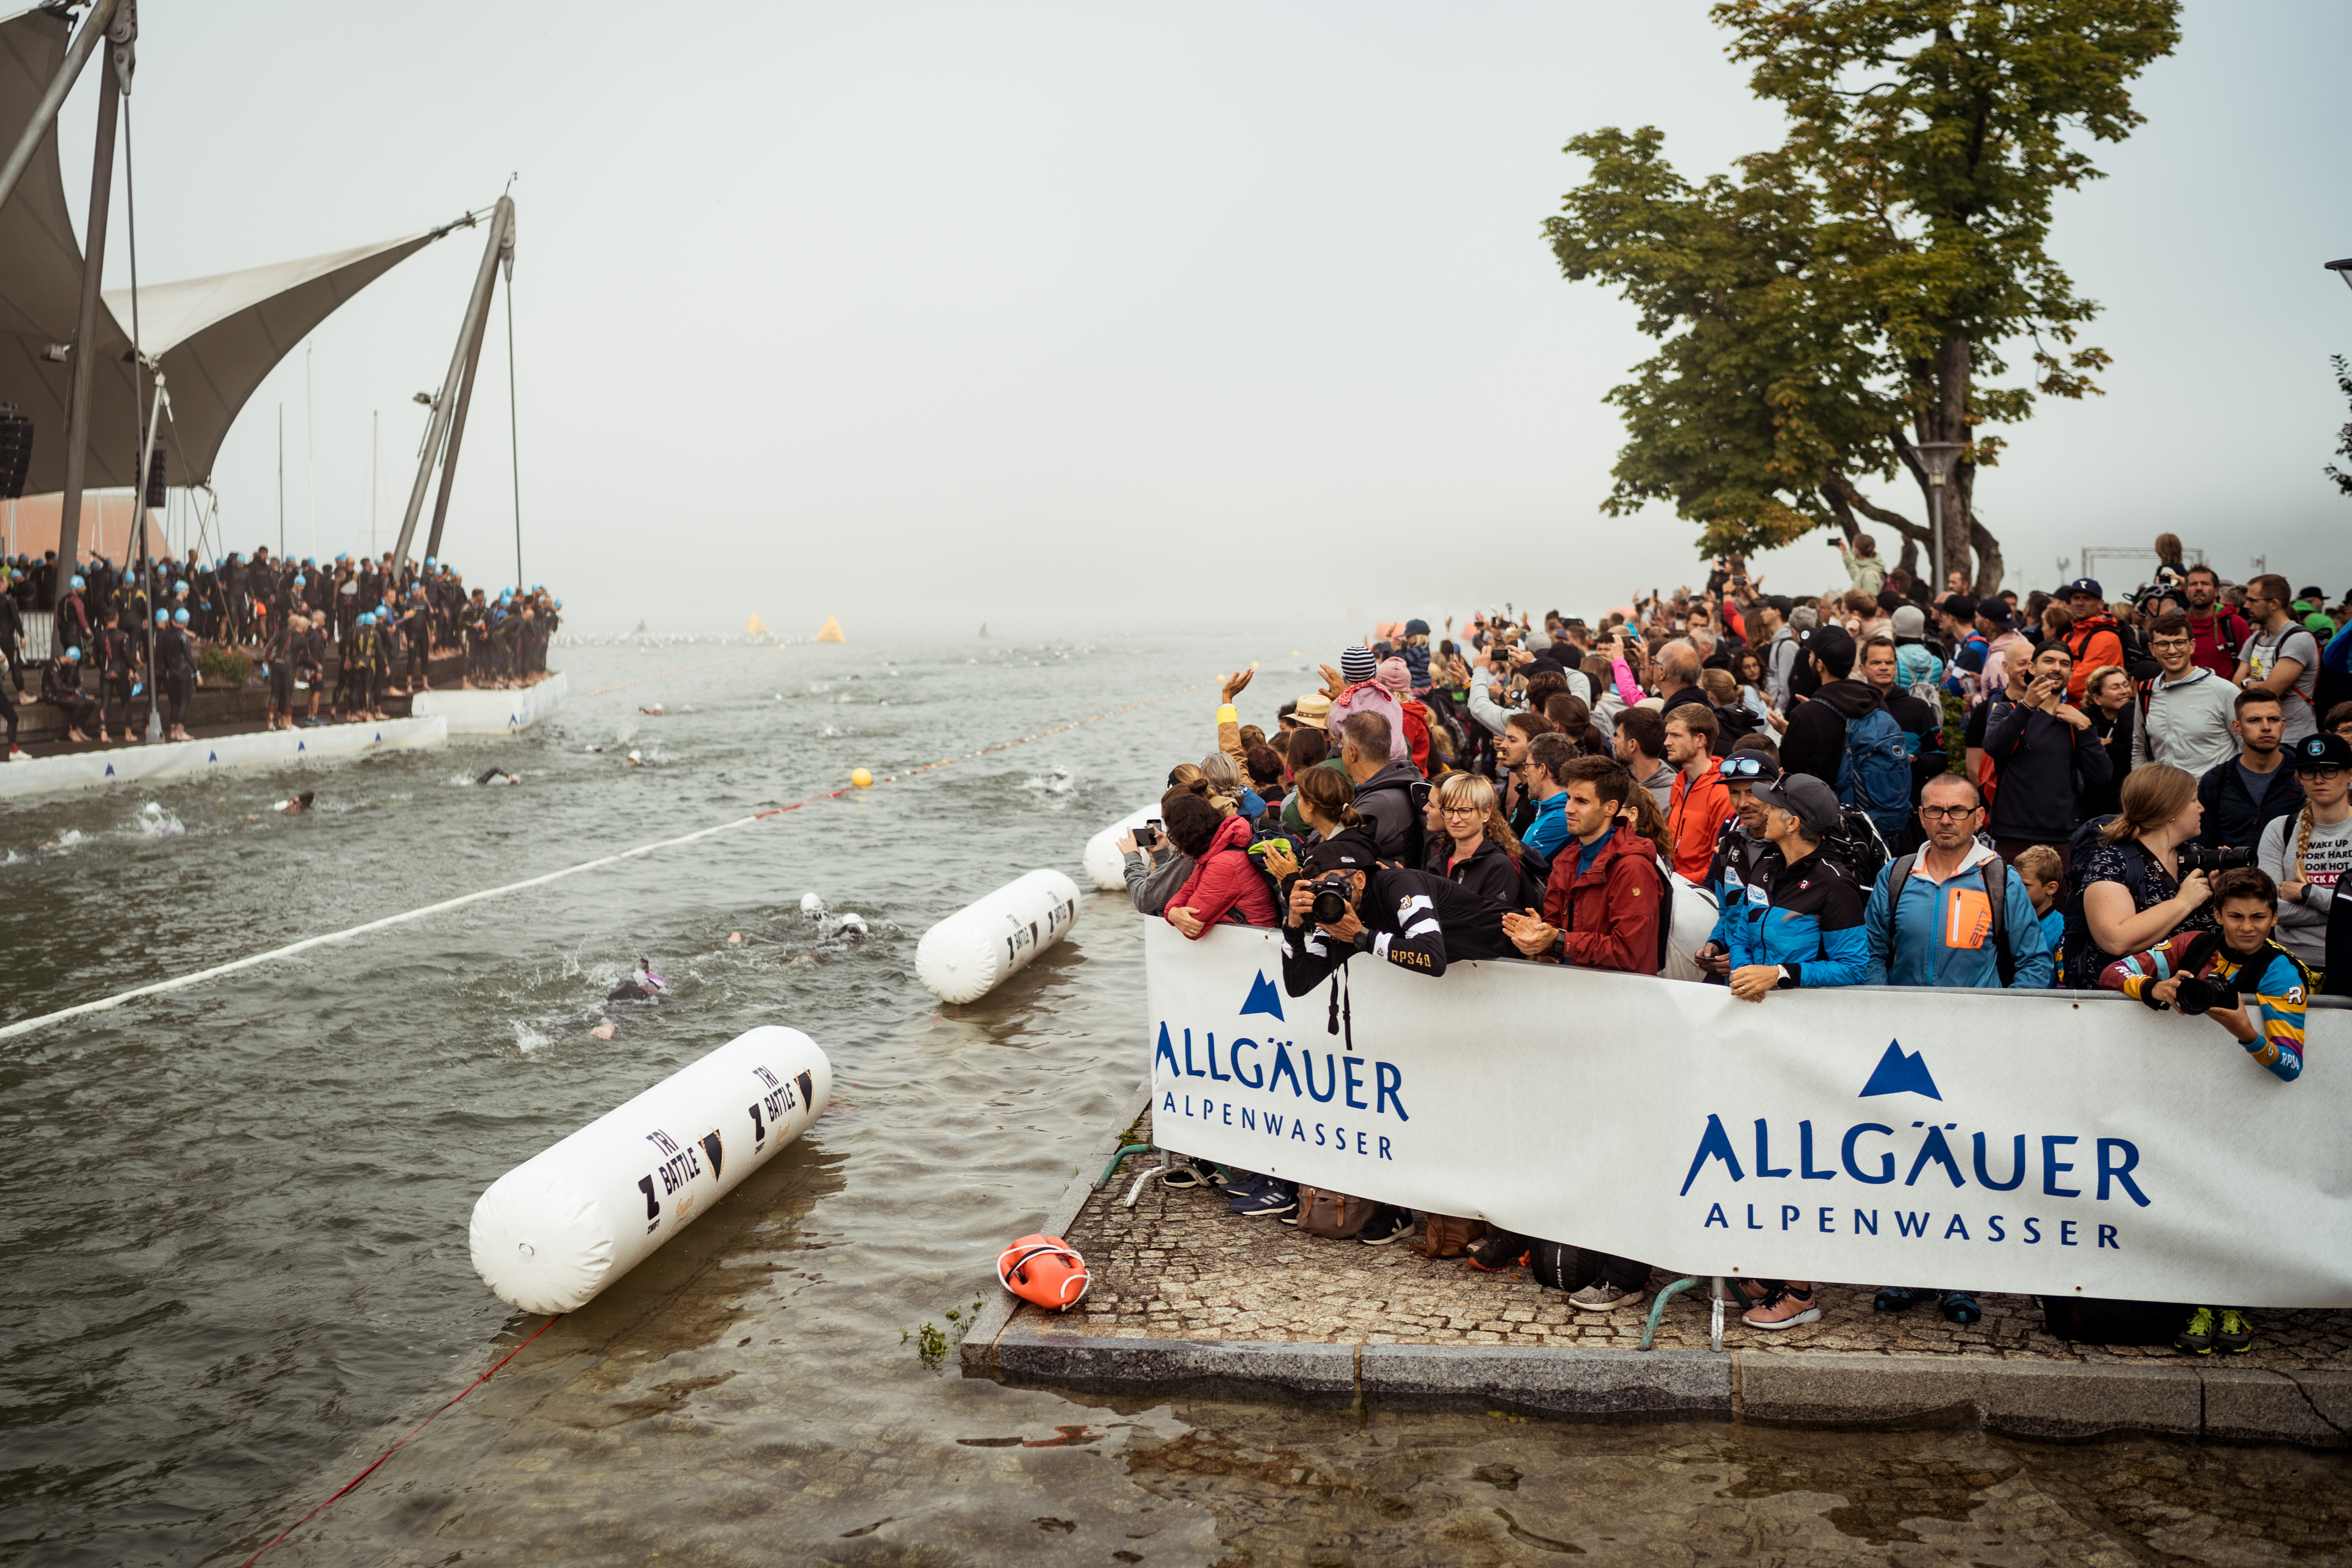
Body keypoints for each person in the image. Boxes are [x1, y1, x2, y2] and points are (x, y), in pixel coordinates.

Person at [2097, 865, 2310, 1356]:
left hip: (2249, 1106)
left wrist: (2245, 1030)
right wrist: (2153, 989)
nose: (2247, 926)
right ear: (2217, 914)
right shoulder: (2192, 944)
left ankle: (2233, 1302)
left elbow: (2290, 1065)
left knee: (2239, 1203)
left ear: (2275, 917)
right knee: (2189, 1200)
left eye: (2259, 916)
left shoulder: (2283, 971)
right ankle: (2196, 1301)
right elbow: (2114, 971)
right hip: (2185, 1100)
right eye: (2235, 916)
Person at [1271, 826, 1513, 1244]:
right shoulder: (1337, 914)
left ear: (1359, 879)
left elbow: (1432, 957)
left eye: (1331, 880)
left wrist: (1361, 937)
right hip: (1462, 999)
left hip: (1514, 977)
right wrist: (1294, 925)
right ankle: (1401, 1205)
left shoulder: (1399, 884)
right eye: (1316, 884)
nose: (1325, 891)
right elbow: (1298, 983)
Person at [1864, 773, 2053, 989]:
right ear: (1922, 817)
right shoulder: (1895, 874)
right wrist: (1882, 1000)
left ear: (1979, 817)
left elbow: (2035, 961)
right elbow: (1871, 951)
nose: (1946, 820)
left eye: (1958, 811)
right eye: (1935, 810)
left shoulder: (2002, 879)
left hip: (1977, 1018)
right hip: (1906, 1015)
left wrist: (2002, 1014)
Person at [1501, 756, 1669, 976]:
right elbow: (1557, 932)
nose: (1568, 809)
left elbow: (1628, 952)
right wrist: (1538, 935)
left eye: (1581, 801)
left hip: (1620, 998)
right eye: (1569, 798)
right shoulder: (1567, 859)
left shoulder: (1633, 866)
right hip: (1577, 991)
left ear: (1611, 808)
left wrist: (1559, 940)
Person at [2070, 763, 2218, 984]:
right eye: (2193, 800)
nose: (2201, 808)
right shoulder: (2113, 861)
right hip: (2128, 1004)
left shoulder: (2196, 856)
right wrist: (2183, 903)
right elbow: (2116, 940)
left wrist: (2222, 891)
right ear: (2171, 810)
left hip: (2197, 997)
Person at [1982, 640, 2107, 872]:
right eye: (2048, 661)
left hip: (2062, 837)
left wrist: (2087, 729)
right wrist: (2028, 706)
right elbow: (1993, 746)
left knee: (2057, 908)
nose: (2057, 668)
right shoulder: (2008, 710)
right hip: (2013, 834)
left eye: (2064, 663)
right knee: (2007, 906)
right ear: (2032, 667)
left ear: (2071, 672)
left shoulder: (2075, 720)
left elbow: (2101, 776)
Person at [2259, 732, 2352, 974]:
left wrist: (2308, 893)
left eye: (2330, 770)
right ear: (2300, 778)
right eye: (2309, 771)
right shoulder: (2280, 829)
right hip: (2290, 964)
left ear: (2350, 774)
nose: (2319, 779)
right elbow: (2268, 909)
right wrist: (2343, 911)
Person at [2133, 612, 2239, 778]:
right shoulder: (2146, 692)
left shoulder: (2225, 691)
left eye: (2179, 643)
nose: (2172, 650)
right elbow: (2140, 749)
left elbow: (2248, 747)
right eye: (2163, 644)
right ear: (2152, 649)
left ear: (2192, 645)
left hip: (2211, 799)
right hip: (2165, 798)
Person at [2196, 690, 2302, 856]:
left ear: (2283, 725)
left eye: (2273, 720)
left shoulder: (2304, 776)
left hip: (2291, 878)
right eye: (2255, 720)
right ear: (2238, 727)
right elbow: (2202, 844)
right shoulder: (2216, 782)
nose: (2266, 727)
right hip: (2233, 879)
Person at [1162, 790, 1277, 937]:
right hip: (1245, 938)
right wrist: (1172, 911)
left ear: (1182, 832)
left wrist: (1172, 912)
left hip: (1249, 943)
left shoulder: (1224, 863)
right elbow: (1188, 888)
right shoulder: (1219, 847)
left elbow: (1192, 926)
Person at [2236, 573, 2322, 743]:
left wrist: (2248, 683)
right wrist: (2252, 685)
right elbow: (2235, 686)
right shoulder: (2255, 639)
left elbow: (2270, 694)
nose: (2246, 605)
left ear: (2274, 604)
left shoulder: (2299, 639)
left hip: (2294, 740)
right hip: (2258, 740)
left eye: (2253, 600)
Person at [1424, 770, 1528, 907]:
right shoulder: (1437, 861)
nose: (1455, 820)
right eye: (1449, 810)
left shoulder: (1499, 865)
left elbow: (1490, 922)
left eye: (1465, 811)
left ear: (1486, 813)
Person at [1338, 711, 1425, 863]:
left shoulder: (1379, 802)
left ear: (1352, 753)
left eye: (1343, 748)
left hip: (1388, 886)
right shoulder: (1396, 783)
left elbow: (1335, 851)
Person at [1663, 707, 1731, 882]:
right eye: (1668, 735)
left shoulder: (1722, 791)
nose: (1667, 742)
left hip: (1698, 893)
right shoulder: (1679, 782)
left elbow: (1718, 861)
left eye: (1676, 736)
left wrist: (1675, 881)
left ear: (1700, 740)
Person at [2079, 663, 2136, 820]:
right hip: (2093, 801)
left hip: (2126, 797)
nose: (2125, 691)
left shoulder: (2137, 714)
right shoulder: (2085, 718)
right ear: (2097, 698)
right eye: (2115, 687)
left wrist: (2109, 745)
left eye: (2126, 685)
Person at [1513, 731, 1577, 860]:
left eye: (1527, 766)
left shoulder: (1563, 817)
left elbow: (1521, 866)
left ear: (1542, 770)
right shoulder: (1545, 810)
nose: (1525, 773)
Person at [2058, 579, 2124, 701]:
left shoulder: (2106, 638)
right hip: (2066, 708)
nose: (2080, 603)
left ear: (2100, 604)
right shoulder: (2069, 636)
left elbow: (2082, 684)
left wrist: (2051, 686)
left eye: (2087, 599)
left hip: (2092, 713)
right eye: (2076, 598)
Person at [2012, 843, 2067, 980]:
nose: (2016, 890)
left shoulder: (2061, 930)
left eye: (2025, 885)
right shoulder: (2010, 923)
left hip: (2045, 1000)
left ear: (2051, 888)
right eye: (2014, 883)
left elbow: (2064, 984)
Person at [1612, 705, 1673, 811]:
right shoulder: (1617, 784)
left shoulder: (1672, 798)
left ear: (1632, 745)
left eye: (1618, 736)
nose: (1614, 742)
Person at [40, 645, 95, 741]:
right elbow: (58, 688)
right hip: (52, 695)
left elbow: (69, 685)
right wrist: (75, 692)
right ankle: (72, 731)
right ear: (69, 657)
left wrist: (81, 695)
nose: (75, 664)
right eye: (74, 661)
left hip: (61, 693)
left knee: (90, 704)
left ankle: (79, 729)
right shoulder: (54, 667)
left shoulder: (67, 666)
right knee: (81, 704)